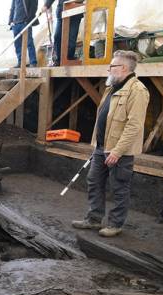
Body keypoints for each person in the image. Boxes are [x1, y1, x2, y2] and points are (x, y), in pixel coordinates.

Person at [72, 51, 149, 237]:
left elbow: (134, 125)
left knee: (119, 187)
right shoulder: (112, 88)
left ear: (123, 68)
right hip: (101, 147)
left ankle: (115, 224)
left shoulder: (137, 90)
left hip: (119, 151)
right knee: (94, 181)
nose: (108, 69)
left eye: (112, 66)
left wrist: (118, 151)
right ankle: (94, 219)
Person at [42, 0, 82, 66]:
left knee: (72, 39)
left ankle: (69, 59)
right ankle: (58, 59)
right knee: (57, 36)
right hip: (62, 11)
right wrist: (46, 5)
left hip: (76, 11)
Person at [9, 0, 39, 67]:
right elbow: (12, 8)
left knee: (29, 43)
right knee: (18, 45)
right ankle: (20, 62)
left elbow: (34, 6)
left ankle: (33, 62)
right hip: (15, 24)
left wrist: (28, 21)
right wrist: (11, 21)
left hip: (25, 23)